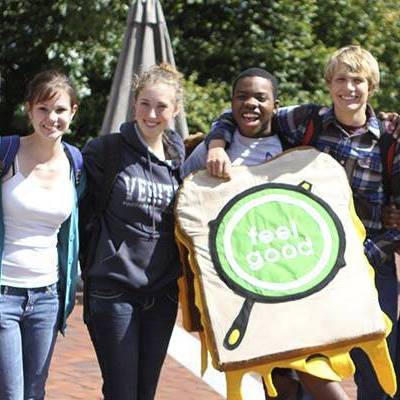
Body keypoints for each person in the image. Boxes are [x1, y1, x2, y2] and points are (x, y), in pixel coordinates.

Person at [204, 45, 400, 400]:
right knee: (315, 361)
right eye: (341, 79)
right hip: (314, 262)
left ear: (371, 85)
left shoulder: (391, 139)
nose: (349, 88)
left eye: (358, 80)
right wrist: (216, 144)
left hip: (373, 260)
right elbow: (246, 110)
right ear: (329, 84)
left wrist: (363, 256)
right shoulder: (307, 121)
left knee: (378, 367)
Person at [184, 67, 350, 400]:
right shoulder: (210, 151)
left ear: (276, 103)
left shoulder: (292, 145)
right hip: (244, 279)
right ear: (230, 102)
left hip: (294, 273)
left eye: (261, 97)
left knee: (312, 366)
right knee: (277, 379)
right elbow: (184, 201)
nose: (251, 104)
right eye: (241, 96)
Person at [82, 63, 185, 400]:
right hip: (114, 289)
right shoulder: (105, 150)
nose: (151, 114)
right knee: (121, 392)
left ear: (176, 110)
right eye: (144, 103)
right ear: (134, 103)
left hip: (163, 293)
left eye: (161, 106)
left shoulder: (179, 159)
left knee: (145, 392)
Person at [0, 70, 84, 400]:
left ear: (73, 112)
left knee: (35, 391)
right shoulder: (7, 152)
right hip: (3, 291)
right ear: (29, 110)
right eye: (43, 109)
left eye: (60, 110)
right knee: (12, 393)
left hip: (48, 296)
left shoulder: (75, 163)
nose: (52, 118)